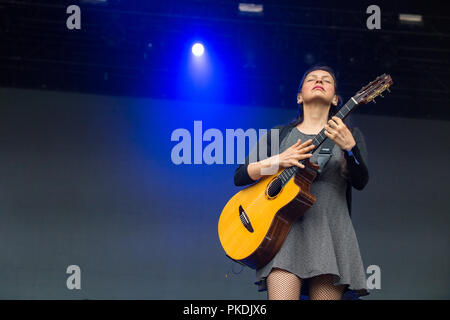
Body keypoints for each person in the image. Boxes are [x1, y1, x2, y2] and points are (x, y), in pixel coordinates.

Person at [233, 65, 369, 300]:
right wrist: (278, 160)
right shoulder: (280, 134)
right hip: (285, 234)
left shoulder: (350, 134)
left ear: (335, 98)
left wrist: (350, 149)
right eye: (312, 79)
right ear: (299, 96)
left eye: (327, 80)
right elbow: (241, 175)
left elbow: (360, 182)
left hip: (331, 232)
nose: (319, 81)